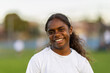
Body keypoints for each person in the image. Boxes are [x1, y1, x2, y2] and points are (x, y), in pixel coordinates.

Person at [26, 13, 94, 73]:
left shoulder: (81, 62)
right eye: (51, 32)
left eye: (61, 29)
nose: (57, 34)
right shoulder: (38, 60)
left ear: (70, 30)